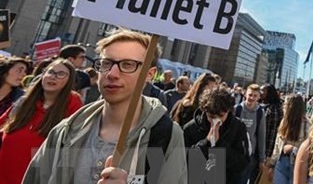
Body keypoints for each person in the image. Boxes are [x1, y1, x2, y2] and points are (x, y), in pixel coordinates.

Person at [22, 28, 187, 184]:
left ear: (149, 75)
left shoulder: (167, 135)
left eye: (128, 65)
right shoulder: (66, 130)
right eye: (106, 63)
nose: (112, 74)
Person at [0, 58, 82, 184]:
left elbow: (72, 152)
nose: (53, 77)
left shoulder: (72, 106)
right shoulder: (24, 102)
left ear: (69, 81)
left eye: (60, 74)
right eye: (50, 72)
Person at [184, 87, 250, 184]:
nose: (216, 121)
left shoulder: (238, 127)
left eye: (221, 116)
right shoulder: (191, 128)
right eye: (212, 117)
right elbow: (183, 162)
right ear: (204, 111)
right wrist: (206, 143)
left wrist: (220, 144)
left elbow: (242, 163)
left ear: (228, 111)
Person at [271, 94, 309, 184]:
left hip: (297, 164)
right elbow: (277, 144)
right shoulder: (284, 122)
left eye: (286, 104)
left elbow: (309, 148)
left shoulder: (306, 124)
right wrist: (272, 164)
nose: (283, 106)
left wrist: (292, 148)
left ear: (292, 107)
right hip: (281, 162)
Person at [237, 83, 267, 184]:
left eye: (255, 95)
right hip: (235, 152)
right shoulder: (237, 109)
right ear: (245, 94)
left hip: (250, 154)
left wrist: (262, 159)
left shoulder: (260, 113)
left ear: (259, 97)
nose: (252, 98)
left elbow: (261, 136)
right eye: (250, 95)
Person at [261, 83, 284, 158]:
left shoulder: (273, 109)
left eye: (262, 90)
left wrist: (267, 154)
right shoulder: (258, 105)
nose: (259, 92)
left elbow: (273, 132)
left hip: (266, 148)